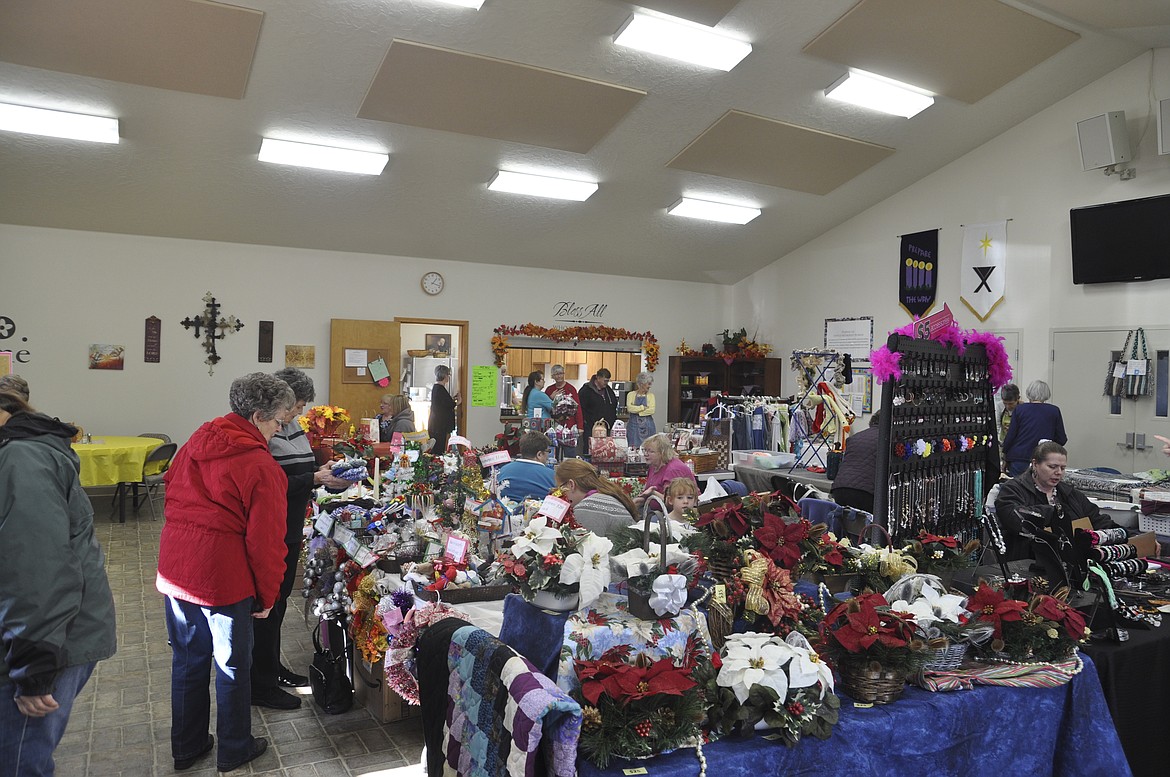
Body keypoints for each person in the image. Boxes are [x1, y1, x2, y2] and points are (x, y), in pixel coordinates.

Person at [156, 373, 293, 772]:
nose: (278, 431)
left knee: (187, 660)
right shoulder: (260, 465)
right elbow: (267, 543)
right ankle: (234, 747)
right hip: (221, 575)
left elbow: (171, 487)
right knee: (233, 666)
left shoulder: (197, 440)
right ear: (255, 416)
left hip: (178, 565)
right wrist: (268, 596)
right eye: (276, 423)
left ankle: (188, 746)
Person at [0, 391, 116, 775]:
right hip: (32, 632)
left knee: (18, 762)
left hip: (46, 641)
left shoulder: (22, 458)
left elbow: (38, 569)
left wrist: (34, 664)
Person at [254, 369, 349, 711]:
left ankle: (271, 669)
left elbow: (298, 467)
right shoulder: (266, 429)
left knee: (278, 605)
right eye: (296, 407)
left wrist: (324, 472)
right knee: (267, 605)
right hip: (274, 526)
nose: (297, 415)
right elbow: (270, 481)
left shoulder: (290, 426)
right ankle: (260, 682)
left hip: (291, 525)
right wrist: (313, 476)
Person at [994, 441, 1121, 562]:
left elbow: (1096, 518)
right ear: (1035, 464)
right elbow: (1014, 518)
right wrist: (1055, 512)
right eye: (1052, 467)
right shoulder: (1013, 489)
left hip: (1071, 561)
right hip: (1027, 561)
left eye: (1063, 468)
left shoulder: (1069, 493)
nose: (1058, 472)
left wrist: (1123, 533)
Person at [554, 458, 638, 538]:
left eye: (560, 488)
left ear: (571, 485)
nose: (559, 494)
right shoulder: (602, 497)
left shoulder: (588, 507)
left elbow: (580, 548)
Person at [1002, 380, 1067, 476]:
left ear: (1028, 393)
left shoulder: (1020, 409)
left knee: (1017, 489)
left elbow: (1011, 436)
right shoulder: (1054, 411)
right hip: (1043, 458)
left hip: (1019, 457)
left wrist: (1004, 454)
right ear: (1046, 394)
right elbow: (1062, 439)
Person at [830, 411, 881, 513]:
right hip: (866, 492)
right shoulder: (887, 439)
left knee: (844, 523)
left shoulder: (855, 437)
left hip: (840, 487)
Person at [638, 433, 697, 506]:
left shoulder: (673, 470)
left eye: (651, 451)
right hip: (655, 511)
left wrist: (653, 493)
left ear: (662, 453)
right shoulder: (653, 467)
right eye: (645, 450)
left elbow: (674, 503)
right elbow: (645, 494)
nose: (646, 454)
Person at [496, 431, 555, 502]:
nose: (548, 456)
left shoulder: (502, 471)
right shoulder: (552, 476)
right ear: (539, 454)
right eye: (548, 451)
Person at [579, 369, 617, 447]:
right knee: (590, 448)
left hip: (607, 426)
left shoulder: (608, 390)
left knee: (604, 449)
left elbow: (614, 404)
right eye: (605, 381)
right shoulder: (586, 390)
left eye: (608, 381)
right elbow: (580, 408)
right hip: (590, 426)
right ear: (598, 378)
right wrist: (586, 422)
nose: (606, 383)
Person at [428, 364, 458, 453]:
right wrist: (458, 402)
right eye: (448, 375)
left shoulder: (437, 388)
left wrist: (452, 399)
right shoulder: (440, 389)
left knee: (437, 448)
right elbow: (449, 404)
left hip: (436, 424)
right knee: (439, 449)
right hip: (439, 426)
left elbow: (443, 403)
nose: (448, 377)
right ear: (445, 376)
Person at [545, 364, 582, 431]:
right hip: (554, 425)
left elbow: (578, 408)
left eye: (561, 373)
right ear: (552, 376)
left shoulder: (571, 389)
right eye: (556, 374)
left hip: (570, 425)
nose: (559, 376)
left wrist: (580, 427)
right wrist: (551, 398)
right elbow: (546, 408)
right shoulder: (549, 390)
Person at [625, 371, 656, 449]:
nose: (650, 386)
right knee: (633, 448)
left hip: (648, 426)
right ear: (642, 384)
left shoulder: (651, 396)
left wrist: (637, 411)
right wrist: (642, 408)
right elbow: (630, 408)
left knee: (649, 447)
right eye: (648, 384)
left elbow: (652, 410)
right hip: (633, 427)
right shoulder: (631, 395)